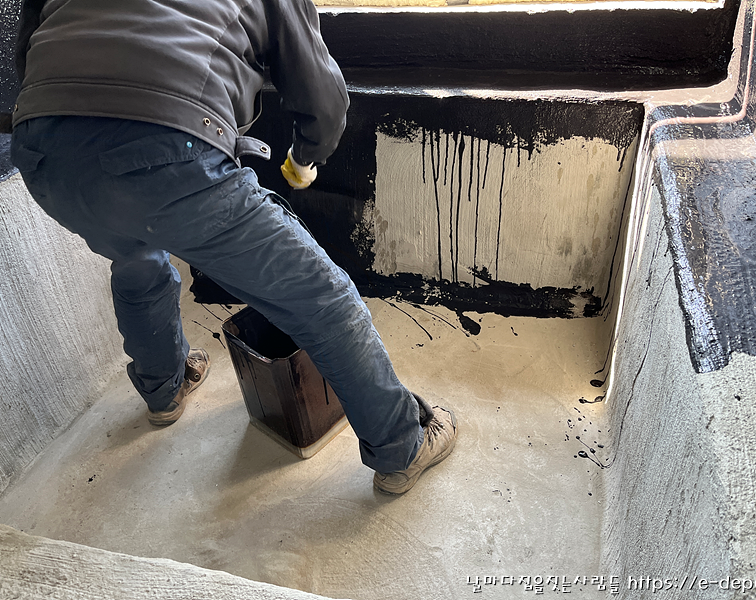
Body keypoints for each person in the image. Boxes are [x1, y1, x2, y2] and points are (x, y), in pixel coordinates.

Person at [10, 0, 457, 495]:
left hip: (43, 155)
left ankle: (164, 389)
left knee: (136, 257)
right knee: (322, 298)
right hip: (166, 144)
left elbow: (27, 51)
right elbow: (324, 101)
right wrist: (304, 158)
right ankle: (403, 446)